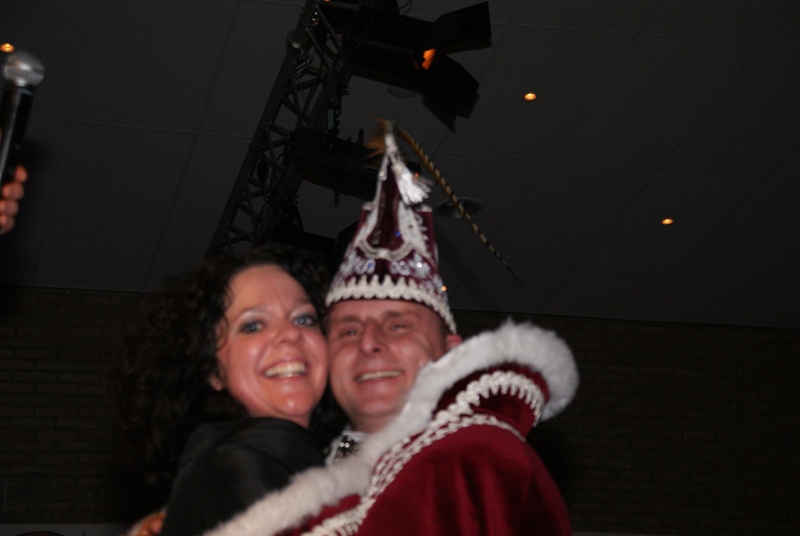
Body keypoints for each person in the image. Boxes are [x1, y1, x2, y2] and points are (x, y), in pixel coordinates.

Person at [197, 123, 579, 535]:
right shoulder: (315, 485)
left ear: (450, 349)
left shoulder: (472, 455)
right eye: (347, 331)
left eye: (397, 325)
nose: (368, 343)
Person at [111, 243, 341, 536]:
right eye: (253, 326)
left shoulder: (290, 458)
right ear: (212, 370)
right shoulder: (238, 470)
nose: (290, 334)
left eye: (304, 319)